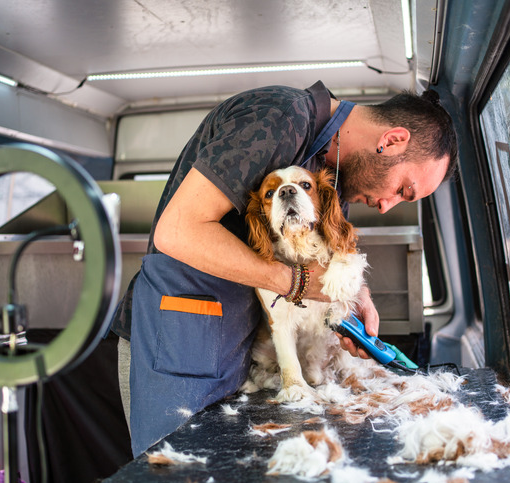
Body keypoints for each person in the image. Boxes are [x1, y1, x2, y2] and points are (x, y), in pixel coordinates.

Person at [111, 81, 458, 456]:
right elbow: (177, 231)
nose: (388, 205)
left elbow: (326, 249)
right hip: (180, 333)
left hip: (237, 339)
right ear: (392, 140)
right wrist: (296, 283)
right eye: (404, 190)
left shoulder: (332, 166)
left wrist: (353, 295)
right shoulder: (278, 117)